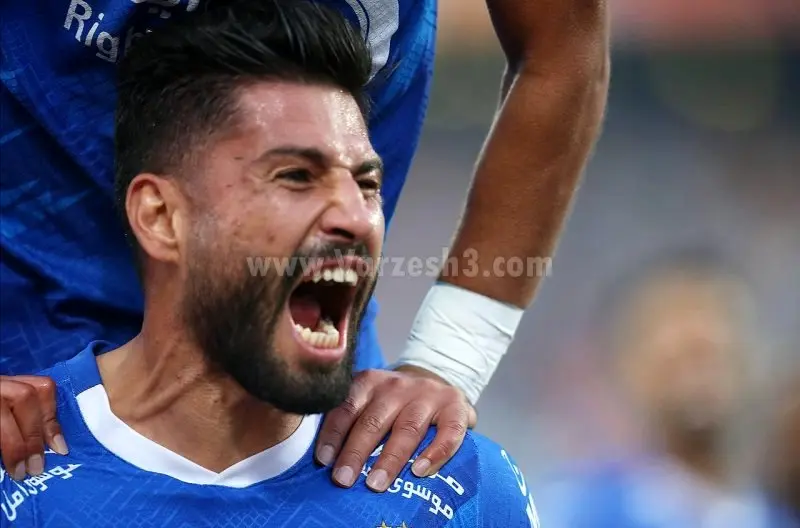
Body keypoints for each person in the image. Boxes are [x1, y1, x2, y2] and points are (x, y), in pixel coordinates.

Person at [0, 0, 610, 486]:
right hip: (21, 362)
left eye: (365, 184)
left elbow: (560, 38)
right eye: (297, 176)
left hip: (312, 375)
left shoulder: (432, 486)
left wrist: (447, 360)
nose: (354, 215)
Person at [536, 249, 793, 528]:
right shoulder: (575, 513)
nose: (700, 335)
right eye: (672, 324)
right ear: (625, 365)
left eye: (722, 317)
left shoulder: (778, 517)